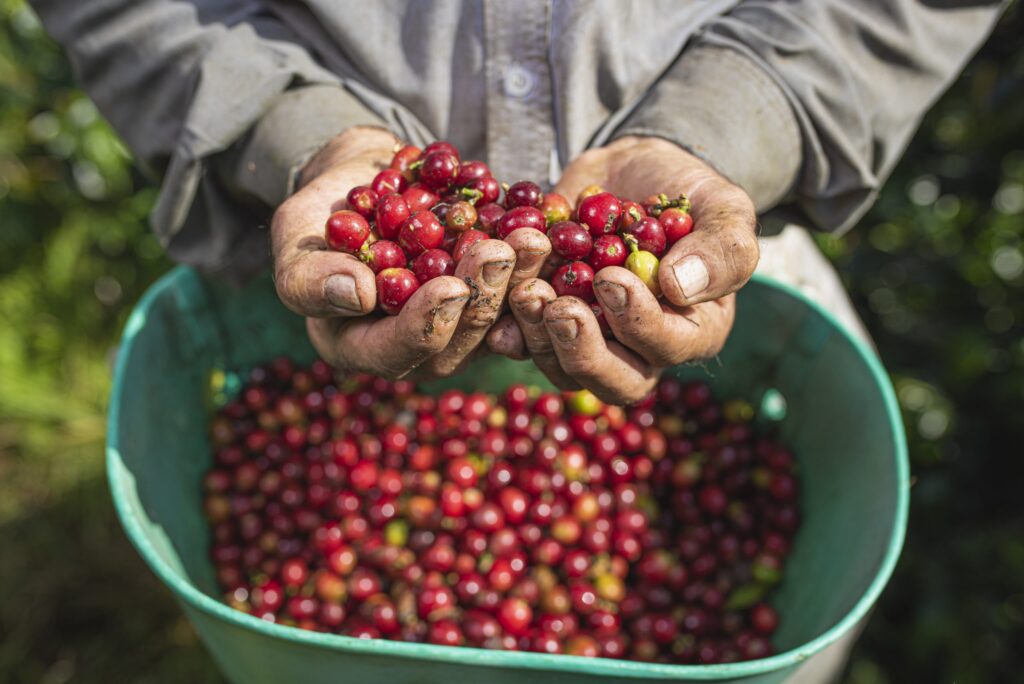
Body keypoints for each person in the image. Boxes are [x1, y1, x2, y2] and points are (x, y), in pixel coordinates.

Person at [29, 0, 1004, 678]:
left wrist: (741, 120)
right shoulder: (378, 232)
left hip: (723, 238)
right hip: (292, 224)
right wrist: (290, 129)